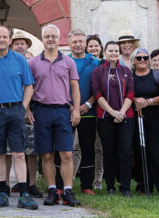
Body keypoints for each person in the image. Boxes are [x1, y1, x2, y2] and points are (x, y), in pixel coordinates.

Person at [0, 26, 38, 210]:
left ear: (9, 40)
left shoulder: (19, 60)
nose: (1, 40)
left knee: (19, 153)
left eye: (4, 37)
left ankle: (24, 195)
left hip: (15, 109)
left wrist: (23, 108)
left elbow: (29, 86)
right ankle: (3, 193)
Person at [28, 24, 82, 206]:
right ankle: (52, 190)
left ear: (59, 39)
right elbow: (28, 88)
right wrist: (27, 109)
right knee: (47, 154)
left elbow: (75, 87)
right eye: (47, 36)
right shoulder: (33, 63)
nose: (50, 39)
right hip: (42, 110)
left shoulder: (68, 62)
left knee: (66, 153)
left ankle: (67, 190)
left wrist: (75, 109)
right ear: (42, 40)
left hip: (62, 110)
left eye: (53, 36)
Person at [91, 41, 135, 196]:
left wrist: (121, 112)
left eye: (116, 51)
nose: (114, 53)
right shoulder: (98, 71)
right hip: (105, 117)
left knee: (125, 152)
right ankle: (110, 186)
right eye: (111, 51)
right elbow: (97, 94)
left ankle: (125, 187)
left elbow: (130, 93)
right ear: (105, 52)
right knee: (108, 152)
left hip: (126, 117)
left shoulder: (126, 71)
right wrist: (112, 112)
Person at [131, 47, 159, 196]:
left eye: (145, 58)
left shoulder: (157, 75)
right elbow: (126, 94)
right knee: (141, 153)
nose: (142, 60)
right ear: (134, 60)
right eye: (139, 58)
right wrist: (136, 100)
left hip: (156, 119)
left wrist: (148, 102)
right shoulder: (130, 76)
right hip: (137, 119)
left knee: (158, 153)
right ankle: (144, 186)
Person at [68, 29, 100, 196]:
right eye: (75, 41)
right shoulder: (63, 61)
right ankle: (64, 184)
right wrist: (72, 106)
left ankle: (87, 185)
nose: (78, 44)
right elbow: (60, 87)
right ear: (70, 43)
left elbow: (99, 87)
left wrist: (88, 104)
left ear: (85, 43)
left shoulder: (95, 62)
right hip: (68, 112)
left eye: (81, 41)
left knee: (88, 149)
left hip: (89, 111)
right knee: (66, 149)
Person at [9, 32, 40, 196]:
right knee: (12, 151)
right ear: (11, 46)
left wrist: (27, 109)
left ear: (27, 46)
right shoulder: (9, 63)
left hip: (31, 110)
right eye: (16, 43)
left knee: (31, 150)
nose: (20, 46)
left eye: (22, 43)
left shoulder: (32, 63)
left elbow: (32, 87)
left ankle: (32, 183)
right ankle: (13, 183)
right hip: (12, 110)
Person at [85, 34, 105, 189]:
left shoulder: (104, 65)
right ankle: (72, 176)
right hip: (86, 110)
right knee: (78, 146)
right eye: (90, 46)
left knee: (98, 146)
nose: (93, 48)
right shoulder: (86, 64)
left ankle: (98, 178)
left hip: (101, 110)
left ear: (101, 48)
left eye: (96, 46)